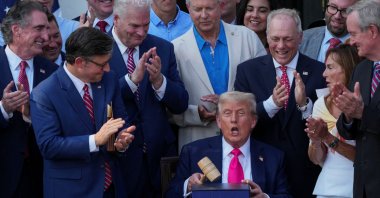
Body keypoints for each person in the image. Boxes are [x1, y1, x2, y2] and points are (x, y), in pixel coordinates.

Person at [30, 27, 134, 198]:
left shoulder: (109, 80)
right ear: (80, 62)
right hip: (72, 190)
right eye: (101, 64)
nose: (107, 69)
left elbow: (121, 120)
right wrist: (95, 140)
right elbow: (49, 146)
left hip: (111, 186)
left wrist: (121, 139)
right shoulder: (44, 94)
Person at [235, 8, 326, 198]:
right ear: (267, 37)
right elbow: (240, 121)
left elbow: (325, 125)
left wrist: (304, 106)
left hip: (306, 172)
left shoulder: (320, 72)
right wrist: (271, 104)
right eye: (275, 39)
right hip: (262, 172)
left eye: (288, 39)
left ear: (300, 37)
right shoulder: (247, 71)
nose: (281, 45)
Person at [109, 0, 189, 197]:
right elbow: (97, 100)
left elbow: (181, 103)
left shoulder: (161, 47)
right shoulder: (98, 48)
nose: (141, 32)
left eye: (146, 25)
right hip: (121, 158)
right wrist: (132, 81)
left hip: (160, 156)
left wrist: (160, 82)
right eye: (135, 26)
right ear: (116, 20)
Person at [172, 0, 266, 151]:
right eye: (198, 9)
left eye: (209, 8)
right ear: (188, 8)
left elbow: (265, 88)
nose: (204, 15)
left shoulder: (248, 38)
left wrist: (231, 102)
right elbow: (169, 107)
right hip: (198, 145)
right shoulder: (175, 49)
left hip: (247, 143)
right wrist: (198, 114)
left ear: (220, 6)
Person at [166, 91, 291, 198]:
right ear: (219, 121)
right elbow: (170, 194)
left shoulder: (273, 157)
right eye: (227, 113)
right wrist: (188, 186)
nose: (233, 119)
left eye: (241, 113)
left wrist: (265, 197)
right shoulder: (193, 152)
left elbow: (285, 195)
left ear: (253, 121)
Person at [0, 2, 58, 197]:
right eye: (39, 29)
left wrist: (33, 117)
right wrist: (4, 109)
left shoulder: (52, 72)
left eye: (47, 29)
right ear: (17, 30)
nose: (46, 37)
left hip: (41, 178)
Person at [332, 1, 380, 197]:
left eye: (353, 34)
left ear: (372, 31)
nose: (350, 42)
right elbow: (348, 131)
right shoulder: (361, 69)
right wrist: (349, 116)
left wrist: (362, 113)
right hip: (364, 188)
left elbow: (366, 115)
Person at [305, 44, 361, 198]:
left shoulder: (363, 104)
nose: (324, 74)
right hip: (327, 189)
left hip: (360, 187)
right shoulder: (320, 104)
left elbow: (365, 157)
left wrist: (327, 137)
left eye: (330, 67)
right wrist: (315, 141)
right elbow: (316, 160)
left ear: (347, 68)